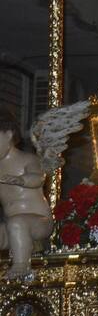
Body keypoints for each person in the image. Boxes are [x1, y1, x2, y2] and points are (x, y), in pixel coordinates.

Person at [0, 110, 53, 280]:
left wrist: (19, 180)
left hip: (39, 222)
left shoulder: (27, 159)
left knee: (17, 223)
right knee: (13, 225)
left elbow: (38, 178)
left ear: (8, 135)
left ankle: (20, 267)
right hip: (11, 228)